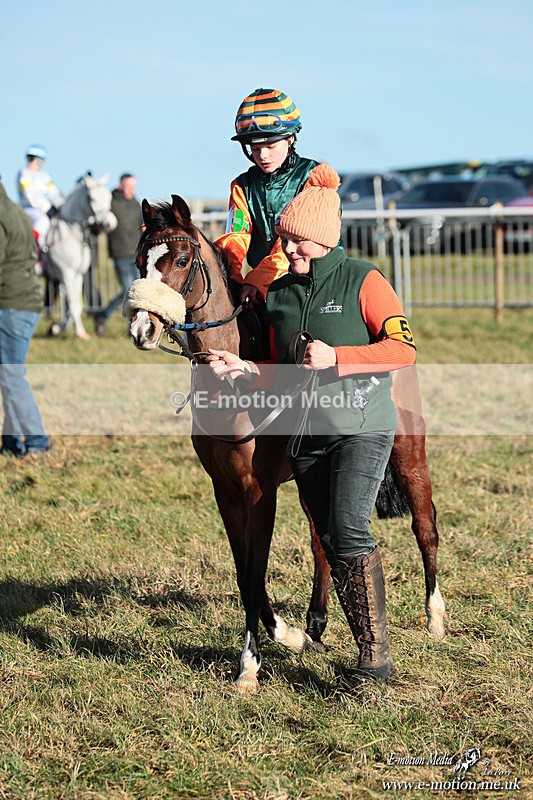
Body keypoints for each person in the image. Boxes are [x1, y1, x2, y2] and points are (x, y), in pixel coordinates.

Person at [206, 164, 417, 685]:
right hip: (307, 435)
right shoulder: (277, 296)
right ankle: (361, 643)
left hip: (362, 425)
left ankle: (374, 663)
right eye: (283, 240)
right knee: (328, 534)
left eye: (296, 242)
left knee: (347, 530)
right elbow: (282, 370)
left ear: (322, 239)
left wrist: (338, 358)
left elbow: (403, 350)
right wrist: (246, 368)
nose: (287, 251)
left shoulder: (365, 279)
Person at [215, 87, 319, 305]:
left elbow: (296, 244)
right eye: (255, 148)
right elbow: (236, 236)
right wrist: (229, 277)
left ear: (290, 138)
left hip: (315, 284)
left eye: (270, 145)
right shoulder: (241, 186)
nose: (262, 155)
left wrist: (257, 280)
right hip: (261, 286)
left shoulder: (314, 178)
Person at [0, 176, 50, 458]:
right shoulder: (13, 209)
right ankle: (10, 442)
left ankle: (37, 442)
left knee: (11, 376)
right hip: (22, 303)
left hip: (11, 304)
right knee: (8, 373)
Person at [93, 173, 141, 337]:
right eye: (128, 186)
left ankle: (133, 327)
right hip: (120, 252)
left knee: (138, 292)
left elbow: (141, 226)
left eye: (133, 186)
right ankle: (102, 316)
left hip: (136, 253)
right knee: (128, 291)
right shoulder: (111, 202)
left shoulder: (136, 204)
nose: (131, 190)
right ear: (120, 185)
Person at [17, 145, 64, 245]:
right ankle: (31, 247)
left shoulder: (44, 175)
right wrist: (47, 208)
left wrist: (61, 205)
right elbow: (30, 196)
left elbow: (54, 192)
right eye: (31, 159)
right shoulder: (24, 174)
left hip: (46, 209)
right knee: (43, 221)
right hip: (29, 209)